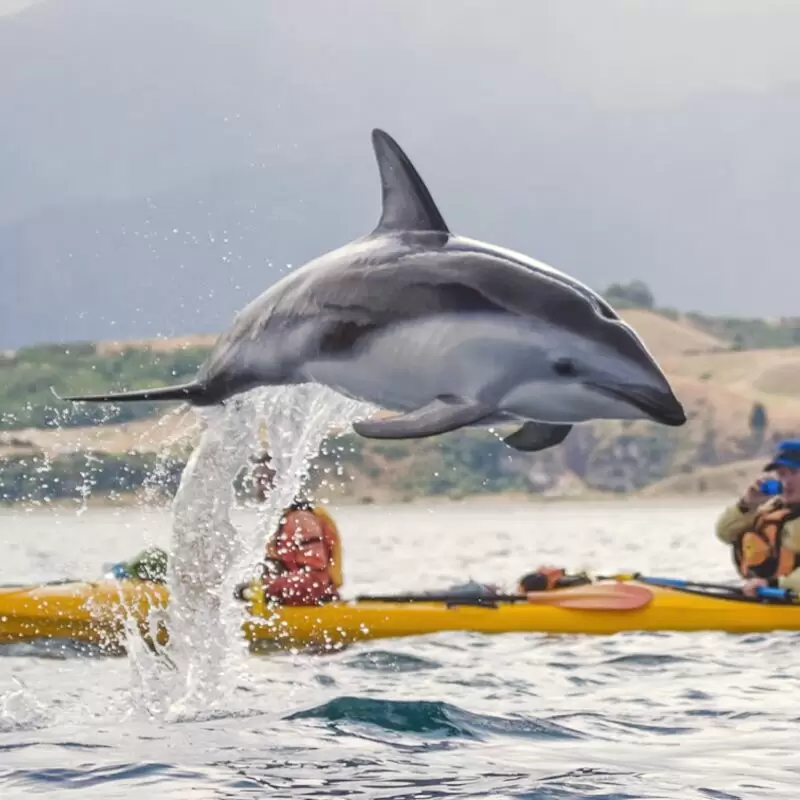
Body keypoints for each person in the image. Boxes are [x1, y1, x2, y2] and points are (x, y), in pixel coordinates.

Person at [251, 450, 344, 606]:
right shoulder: (282, 519)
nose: (260, 482)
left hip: (316, 606)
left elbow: (316, 580)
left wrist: (264, 588)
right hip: (290, 601)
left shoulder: (301, 521)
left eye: (266, 476)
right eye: (258, 476)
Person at [715, 439, 800, 596]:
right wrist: (747, 504)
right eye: (781, 474)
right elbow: (724, 533)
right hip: (768, 595)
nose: (786, 481)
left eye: (794, 473)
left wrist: (774, 585)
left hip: (786, 595)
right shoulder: (771, 510)